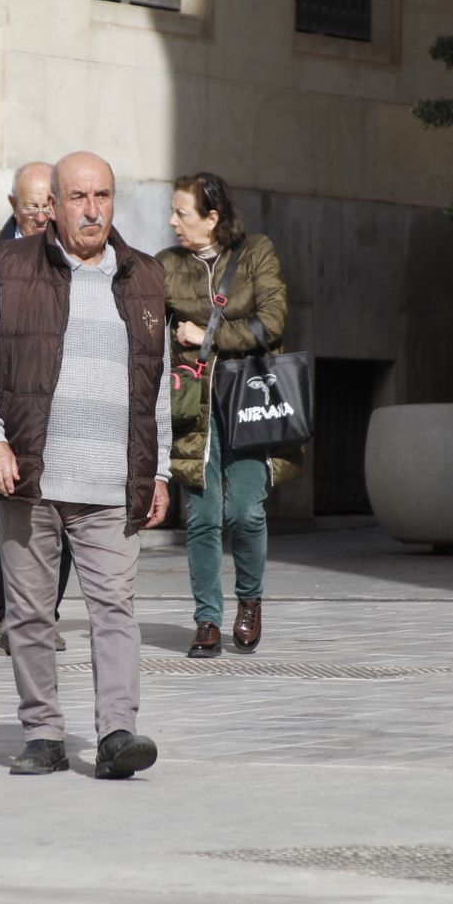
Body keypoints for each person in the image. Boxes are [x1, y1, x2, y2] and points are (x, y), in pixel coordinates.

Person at [0, 149, 170, 779]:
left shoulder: (144, 276)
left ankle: (117, 735)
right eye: (78, 197)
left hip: (111, 482)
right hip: (31, 476)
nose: (92, 209)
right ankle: (44, 734)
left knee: (114, 611)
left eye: (102, 196)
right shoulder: (15, 266)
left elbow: (156, 384)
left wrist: (157, 472)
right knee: (28, 614)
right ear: (53, 205)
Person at [158, 172, 298, 659]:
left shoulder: (257, 253)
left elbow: (273, 323)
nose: (172, 221)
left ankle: (250, 601)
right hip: (192, 404)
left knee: (244, 511)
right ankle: (206, 621)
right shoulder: (167, 266)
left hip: (248, 400)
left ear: (213, 217)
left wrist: (208, 336)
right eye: (173, 212)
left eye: (182, 213)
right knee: (200, 516)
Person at [0, 161, 72, 654]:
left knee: (63, 510)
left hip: (62, 403)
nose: (43, 214)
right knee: (9, 509)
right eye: (33, 206)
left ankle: (44, 613)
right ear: (13, 207)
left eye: (50, 204)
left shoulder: (74, 252)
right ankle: (11, 617)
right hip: (5, 403)